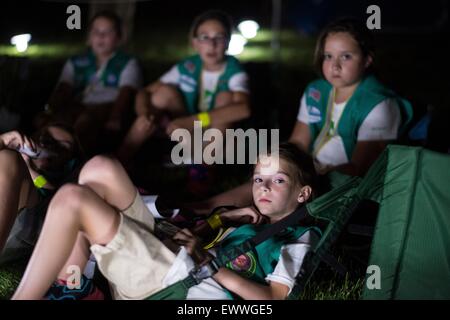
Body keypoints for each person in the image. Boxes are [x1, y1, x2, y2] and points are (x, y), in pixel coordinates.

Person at [12, 143, 319, 300]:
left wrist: (207, 263)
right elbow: (197, 243)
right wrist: (220, 220)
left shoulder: (298, 237)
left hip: (180, 288)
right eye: (258, 179)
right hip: (169, 264)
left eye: (278, 180)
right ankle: (73, 288)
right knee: (100, 167)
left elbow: (274, 299)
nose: (264, 186)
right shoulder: (253, 224)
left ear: (303, 193)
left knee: (72, 199)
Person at [117, 10, 250, 166]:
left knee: (225, 97)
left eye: (219, 37)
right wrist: (144, 113)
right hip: (188, 130)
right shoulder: (189, 66)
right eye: (204, 37)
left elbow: (244, 109)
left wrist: (194, 121)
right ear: (195, 43)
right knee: (164, 92)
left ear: (228, 42)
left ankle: (203, 167)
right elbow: (145, 92)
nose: (211, 44)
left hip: (220, 136)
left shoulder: (234, 69)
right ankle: (119, 160)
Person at [289, 18, 412, 179]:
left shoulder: (379, 104)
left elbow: (359, 170)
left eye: (346, 56)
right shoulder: (316, 90)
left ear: (367, 59)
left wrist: (306, 177)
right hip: (310, 174)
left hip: (344, 189)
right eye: (328, 56)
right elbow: (298, 144)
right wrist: (280, 163)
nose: (335, 66)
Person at [38, 10, 142, 155]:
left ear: (119, 38)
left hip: (106, 107)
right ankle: (43, 158)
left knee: (86, 121)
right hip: (77, 105)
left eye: (108, 32)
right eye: (96, 31)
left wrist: (115, 117)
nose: (101, 36)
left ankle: (74, 159)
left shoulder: (128, 63)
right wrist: (49, 110)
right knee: (57, 122)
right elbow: (63, 88)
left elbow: (127, 92)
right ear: (88, 37)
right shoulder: (76, 61)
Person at [0, 123, 82, 265]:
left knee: (9, 158)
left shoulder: (58, 187)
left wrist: (30, 170)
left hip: (21, 225)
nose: (49, 146)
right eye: (46, 138)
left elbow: (55, 196)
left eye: (62, 147)